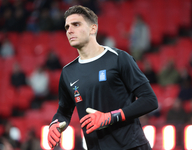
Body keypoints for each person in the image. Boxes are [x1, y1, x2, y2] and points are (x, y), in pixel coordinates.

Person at [48, 5, 158, 150]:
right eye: (67, 26)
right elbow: (63, 111)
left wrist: (110, 117)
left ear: (93, 28)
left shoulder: (119, 58)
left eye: (76, 24)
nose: (70, 30)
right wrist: (54, 124)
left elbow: (150, 100)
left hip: (131, 146)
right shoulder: (68, 72)